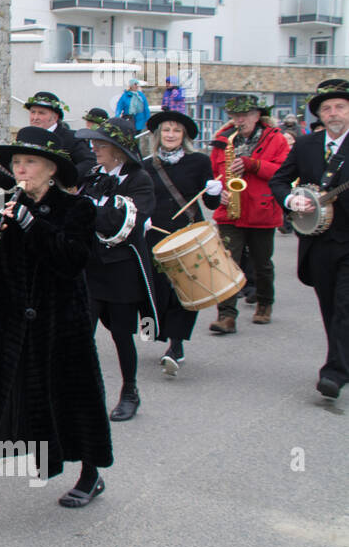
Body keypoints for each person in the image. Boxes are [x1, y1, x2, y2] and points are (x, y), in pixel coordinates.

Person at [0, 126, 112, 528]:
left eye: (29, 162)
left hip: (60, 324)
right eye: (16, 162)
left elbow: (71, 261)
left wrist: (32, 224)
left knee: (73, 401)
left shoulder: (77, 210)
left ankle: (90, 474)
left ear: (51, 169)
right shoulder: (4, 203)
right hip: (9, 325)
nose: (20, 169)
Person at [74, 117, 159, 421]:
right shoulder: (95, 175)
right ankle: (81, 394)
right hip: (91, 268)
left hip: (122, 271)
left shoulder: (140, 180)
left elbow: (118, 222)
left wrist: (89, 211)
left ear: (119, 150)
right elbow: (78, 211)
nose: (94, 148)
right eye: (94, 142)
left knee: (122, 335)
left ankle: (130, 391)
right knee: (82, 333)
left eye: (102, 144)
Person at [271, 80, 349, 400]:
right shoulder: (305, 145)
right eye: (327, 109)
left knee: (345, 306)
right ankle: (341, 358)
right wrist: (292, 201)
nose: (333, 113)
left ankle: (334, 372)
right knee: (330, 307)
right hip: (317, 241)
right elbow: (279, 180)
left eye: (340, 107)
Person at [143, 111, 221, 376]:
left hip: (188, 235)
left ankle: (176, 346)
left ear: (184, 136)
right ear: (158, 135)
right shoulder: (146, 165)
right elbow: (141, 198)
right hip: (154, 235)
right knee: (157, 290)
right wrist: (141, 217)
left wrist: (215, 192)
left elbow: (210, 203)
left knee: (184, 291)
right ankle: (156, 332)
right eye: (166, 130)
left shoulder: (198, 162)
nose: (171, 135)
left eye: (176, 131)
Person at [207, 93, 288, 333]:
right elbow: (213, 174)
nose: (240, 120)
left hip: (262, 209)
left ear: (257, 116)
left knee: (262, 263)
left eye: (245, 115)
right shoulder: (223, 140)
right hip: (230, 211)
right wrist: (216, 190)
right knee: (227, 263)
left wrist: (254, 165)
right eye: (236, 116)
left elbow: (284, 172)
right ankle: (226, 315)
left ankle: (264, 304)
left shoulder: (276, 139)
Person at [0, 91, 95, 188]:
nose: (35, 117)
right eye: (33, 112)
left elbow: (89, 162)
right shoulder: (25, 138)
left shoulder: (71, 137)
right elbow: (12, 178)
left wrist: (65, 180)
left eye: (41, 113)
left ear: (55, 117)